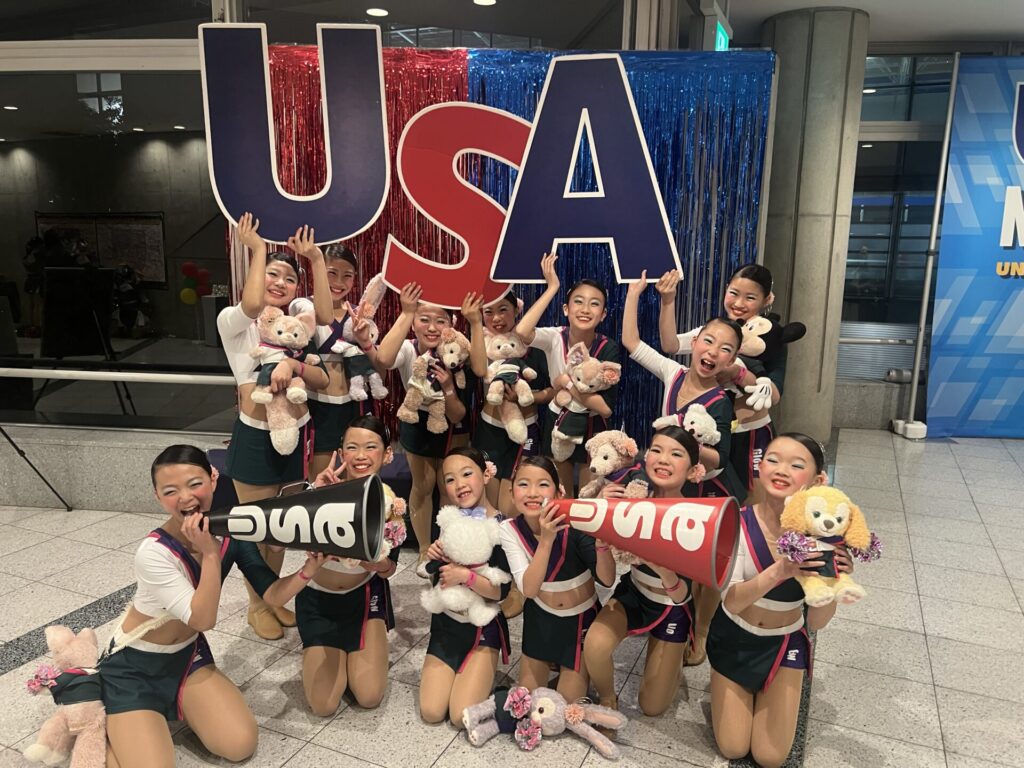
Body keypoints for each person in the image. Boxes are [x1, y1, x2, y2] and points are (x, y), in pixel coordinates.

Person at [100, 445, 332, 768]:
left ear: (213, 478)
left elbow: (272, 594)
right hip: (134, 668)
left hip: (185, 658)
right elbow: (202, 619)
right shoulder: (153, 553)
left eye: (194, 484)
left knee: (240, 744)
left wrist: (309, 569)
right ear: (157, 496)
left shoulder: (230, 534)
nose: (185, 498)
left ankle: (160, 715)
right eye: (170, 491)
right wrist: (209, 553)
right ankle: (101, 727)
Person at [622, 273, 747, 668]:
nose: (713, 352)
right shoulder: (673, 374)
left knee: (705, 569)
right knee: (668, 558)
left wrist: (690, 441)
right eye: (708, 341)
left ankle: (702, 630)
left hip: (706, 492)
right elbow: (632, 343)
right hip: (669, 484)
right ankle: (666, 613)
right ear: (696, 343)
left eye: (725, 349)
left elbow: (720, 459)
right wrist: (635, 294)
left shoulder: (721, 401)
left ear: (731, 360)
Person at [215, 215, 331, 641]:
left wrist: (315, 260)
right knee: (254, 528)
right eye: (272, 274)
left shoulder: (295, 325)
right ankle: (256, 605)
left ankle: (273, 598)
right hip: (254, 439)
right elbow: (250, 305)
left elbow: (325, 320)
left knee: (280, 529)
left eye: (289, 278)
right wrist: (258, 250)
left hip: (296, 436)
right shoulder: (235, 322)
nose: (280, 283)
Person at [709, 433, 851, 768]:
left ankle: (763, 692)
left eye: (796, 465)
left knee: (770, 757)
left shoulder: (823, 536)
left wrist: (833, 583)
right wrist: (781, 570)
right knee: (733, 747)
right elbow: (731, 603)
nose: (781, 469)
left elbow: (816, 622)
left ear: (817, 480)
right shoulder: (736, 521)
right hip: (734, 637)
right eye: (772, 460)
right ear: (759, 468)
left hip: (784, 643)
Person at [582, 426, 705, 717]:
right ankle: (608, 700)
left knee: (652, 706)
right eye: (656, 451)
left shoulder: (697, 515)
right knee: (595, 645)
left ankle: (679, 649)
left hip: (673, 605)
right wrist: (601, 518)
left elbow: (682, 594)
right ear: (645, 458)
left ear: (692, 470)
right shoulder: (630, 499)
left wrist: (662, 568)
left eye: (676, 454)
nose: (663, 459)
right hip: (635, 593)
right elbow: (607, 579)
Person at [374, 284, 487, 577]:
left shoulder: (459, 352)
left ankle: (449, 547)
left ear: (452, 324)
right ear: (414, 323)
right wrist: (406, 312)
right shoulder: (408, 349)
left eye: (441, 320)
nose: (433, 327)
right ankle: (425, 548)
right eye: (424, 319)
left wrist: (448, 387)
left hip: (454, 424)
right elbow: (383, 358)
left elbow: (470, 390)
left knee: (451, 488)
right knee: (422, 487)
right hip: (417, 424)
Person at [292, 414, 402, 715]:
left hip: (364, 598)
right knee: (323, 705)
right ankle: (328, 651)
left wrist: (376, 565)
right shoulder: (323, 492)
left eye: (370, 447)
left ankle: (356, 652)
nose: (361, 456)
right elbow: (276, 542)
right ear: (341, 453)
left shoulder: (391, 503)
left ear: (387, 454)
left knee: (369, 696)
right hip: (319, 602)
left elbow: (390, 568)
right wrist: (313, 494)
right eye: (352, 447)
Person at [657, 264, 787, 492]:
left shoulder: (770, 339)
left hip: (751, 433)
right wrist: (668, 301)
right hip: (712, 435)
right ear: (726, 289)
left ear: (767, 300)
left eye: (750, 298)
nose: (739, 303)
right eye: (734, 293)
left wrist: (738, 373)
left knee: (754, 498)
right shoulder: (716, 331)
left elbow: (774, 396)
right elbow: (671, 345)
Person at [499, 455, 615, 702]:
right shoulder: (509, 529)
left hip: (579, 621)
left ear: (559, 492)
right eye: (523, 484)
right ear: (511, 493)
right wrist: (546, 540)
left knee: (564, 706)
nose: (532, 493)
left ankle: (594, 686)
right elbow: (528, 590)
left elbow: (607, 580)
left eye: (543, 484)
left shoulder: (576, 525)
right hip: (540, 619)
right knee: (528, 702)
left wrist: (602, 543)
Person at [419, 447, 511, 726]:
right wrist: (434, 559)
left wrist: (466, 577)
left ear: (486, 475)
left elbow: (501, 592)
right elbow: (439, 579)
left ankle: (506, 696)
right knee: (431, 712)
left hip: (481, 629)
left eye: (467, 474)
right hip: (445, 627)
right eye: (450, 479)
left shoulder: (503, 527)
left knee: (460, 716)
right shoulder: (448, 519)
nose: (459, 484)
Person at [514, 253, 621, 495]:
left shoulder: (608, 348)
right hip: (558, 421)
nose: (585, 309)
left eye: (594, 304)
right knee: (561, 495)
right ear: (566, 308)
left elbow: (604, 408)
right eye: (578, 302)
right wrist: (553, 287)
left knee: (589, 497)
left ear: (603, 314)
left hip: (593, 426)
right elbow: (521, 331)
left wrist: (568, 385)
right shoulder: (555, 337)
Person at [289, 243, 366, 480]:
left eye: (347, 275)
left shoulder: (359, 314)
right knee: (321, 479)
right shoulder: (303, 306)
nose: (339, 282)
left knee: (354, 477)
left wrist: (366, 341)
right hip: (318, 408)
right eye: (331, 273)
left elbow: (377, 365)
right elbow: (320, 318)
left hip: (353, 407)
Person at [473, 291, 553, 518]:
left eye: (503, 310)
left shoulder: (534, 345)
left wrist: (527, 397)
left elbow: (553, 391)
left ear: (517, 309)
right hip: (490, 430)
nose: (496, 318)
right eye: (489, 312)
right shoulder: (481, 343)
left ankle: (513, 541)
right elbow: (478, 371)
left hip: (524, 432)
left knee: (512, 504)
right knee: (488, 505)